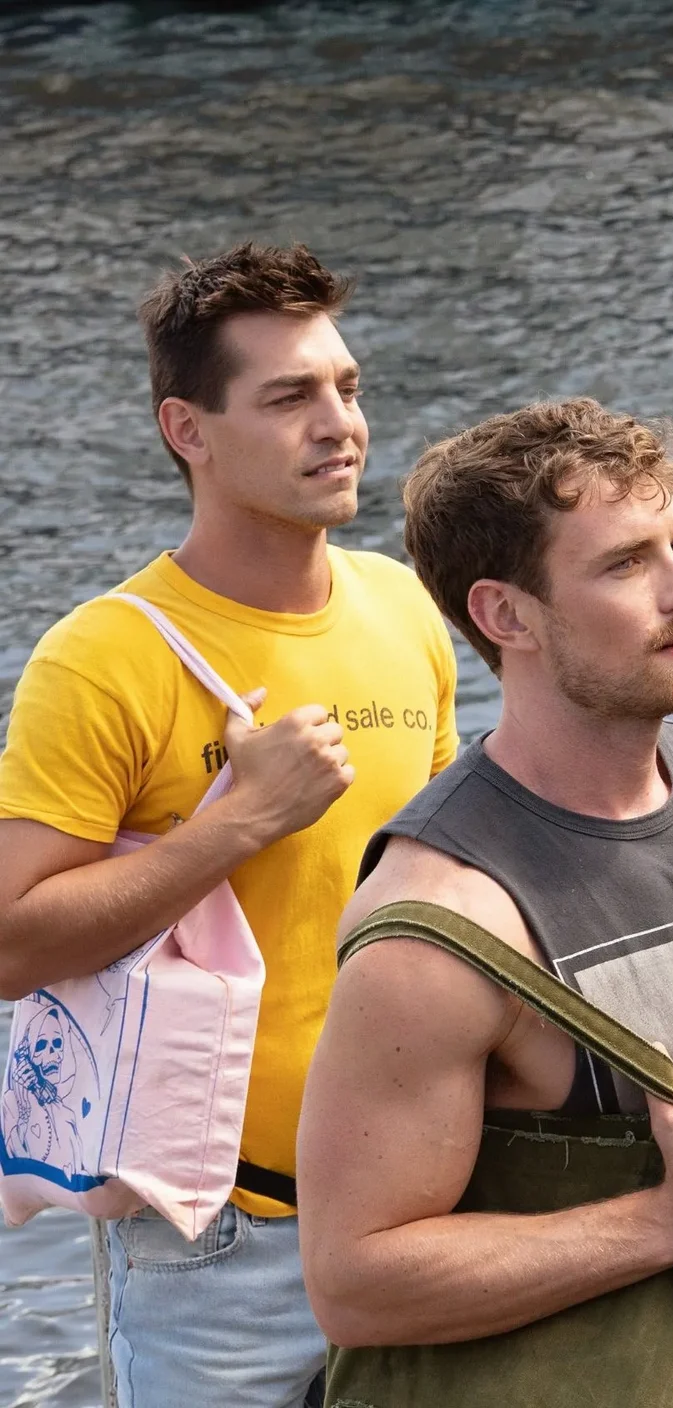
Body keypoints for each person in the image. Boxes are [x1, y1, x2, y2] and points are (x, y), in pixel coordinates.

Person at [295, 400, 673, 1405]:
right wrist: (669, 1219)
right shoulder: (443, 925)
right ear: (504, 614)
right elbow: (354, 1282)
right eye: (624, 563)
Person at [0, 243, 458, 1406]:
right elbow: (11, 945)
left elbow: (449, 899)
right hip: (219, 1243)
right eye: (289, 396)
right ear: (187, 429)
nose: (339, 422)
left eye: (347, 387)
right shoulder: (102, 656)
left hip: (426, 1210)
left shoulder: (403, 605)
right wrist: (241, 821)